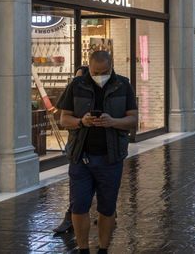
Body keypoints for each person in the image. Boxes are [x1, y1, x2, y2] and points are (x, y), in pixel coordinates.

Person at [59, 51, 138, 254]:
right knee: (79, 206)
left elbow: (133, 119)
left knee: (107, 207)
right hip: (81, 157)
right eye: (95, 72)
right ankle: (83, 249)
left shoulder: (123, 85)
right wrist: (81, 122)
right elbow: (64, 119)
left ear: (112, 67)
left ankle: (103, 249)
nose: (100, 75)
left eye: (105, 72)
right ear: (89, 67)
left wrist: (113, 122)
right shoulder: (76, 85)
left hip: (111, 158)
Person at [53, 66, 89, 234]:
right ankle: (71, 218)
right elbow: (65, 118)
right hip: (77, 146)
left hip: (95, 150)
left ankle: (109, 213)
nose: (75, 81)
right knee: (79, 190)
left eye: (78, 78)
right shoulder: (73, 92)